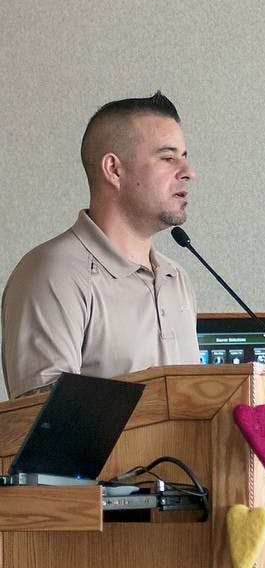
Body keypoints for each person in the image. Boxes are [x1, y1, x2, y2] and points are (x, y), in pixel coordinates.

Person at [2, 92, 200, 399]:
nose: (188, 171)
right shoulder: (52, 273)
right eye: (167, 157)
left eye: (185, 156)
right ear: (114, 169)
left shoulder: (177, 279)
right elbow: (44, 424)